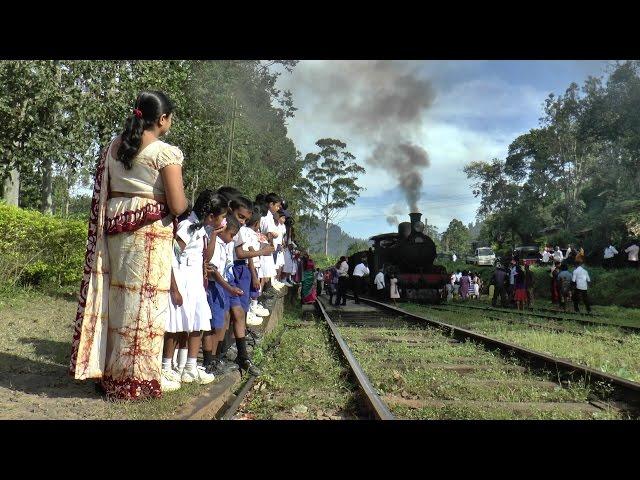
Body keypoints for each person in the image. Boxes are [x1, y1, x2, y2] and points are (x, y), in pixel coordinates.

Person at [69, 91, 189, 400]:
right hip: (149, 237)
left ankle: (110, 374)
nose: (171, 122)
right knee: (145, 307)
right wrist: (163, 199)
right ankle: (135, 382)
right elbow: (177, 205)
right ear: (162, 119)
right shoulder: (165, 153)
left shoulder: (114, 146)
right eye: (170, 117)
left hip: (116, 229)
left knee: (118, 301)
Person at [203, 214, 244, 377]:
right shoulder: (215, 243)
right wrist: (230, 288)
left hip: (222, 287)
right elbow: (213, 270)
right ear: (221, 230)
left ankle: (214, 359)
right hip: (216, 286)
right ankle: (209, 361)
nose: (232, 239)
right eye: (232, 235)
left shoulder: (224, 243)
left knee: (221, 324)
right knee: (214, 326)